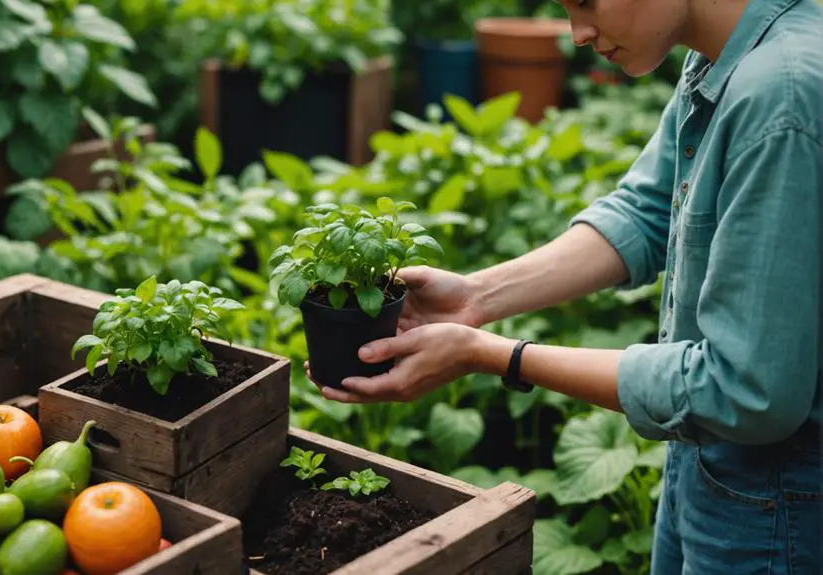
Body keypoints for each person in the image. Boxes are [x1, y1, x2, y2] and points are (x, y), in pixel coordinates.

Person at [307, 0, 823, 572]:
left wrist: (497, 356)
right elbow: (649, 211)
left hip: (779, 508)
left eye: (585, 1)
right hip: (706, 467)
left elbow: (746, 390)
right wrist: (478, 296)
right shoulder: (721, 55)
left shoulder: (785, 95)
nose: (576, 33)